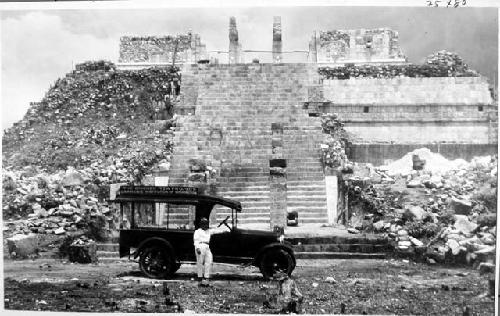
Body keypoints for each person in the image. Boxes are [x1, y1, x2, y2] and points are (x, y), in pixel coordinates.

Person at [193, 217, 213, 287]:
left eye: (206, 224)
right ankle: (200, 281)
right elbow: (196, 240)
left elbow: (217, 229)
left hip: (207, 247)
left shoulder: (209, 231)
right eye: (204, 224)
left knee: (209, 262)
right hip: (200, 246)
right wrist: (197, 248)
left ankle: (206, 280)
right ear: (201, 225)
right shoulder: (197, 231)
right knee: (200, 263)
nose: (205, 225)